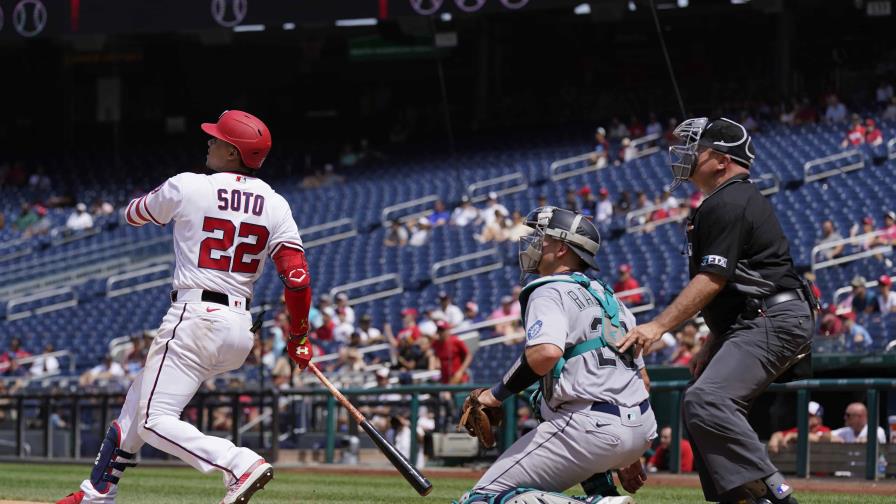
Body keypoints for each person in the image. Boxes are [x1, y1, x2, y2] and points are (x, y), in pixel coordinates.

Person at [57, 110, 314, 504]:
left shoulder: (189, 184)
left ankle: (237, 463)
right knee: (138, 402)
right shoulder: (277, 204)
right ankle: (97, 493)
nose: (209, 141)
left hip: (195, 317)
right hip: (238, 329)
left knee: (153, 419)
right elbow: (297, 278)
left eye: (217, 138)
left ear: (233, 151)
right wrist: (299, 337)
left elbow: (134, 213)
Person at [619, 117, 814, 504]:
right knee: (699, 401)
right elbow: (737, 284)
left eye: (698, 148)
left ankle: (777, 495)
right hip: (757, 317)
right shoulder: (725, 200)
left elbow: (713, 278)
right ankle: (742, 499)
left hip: (773, 316)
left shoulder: (730, 201)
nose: (687, 155)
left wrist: (658, 325)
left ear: (722, 160)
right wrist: (714, 340)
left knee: (707, 400)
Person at [455, 206, 655, 504]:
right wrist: (628, 452)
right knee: (545, 402)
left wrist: (494, 396)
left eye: (542, 238)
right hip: (640, 427)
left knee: (481, 499)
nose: (535, 244)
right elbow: (643, 380)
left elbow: (545, 354)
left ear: (562, 249)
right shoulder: (612, 299)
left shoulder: (548, 289)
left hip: (590, 425)